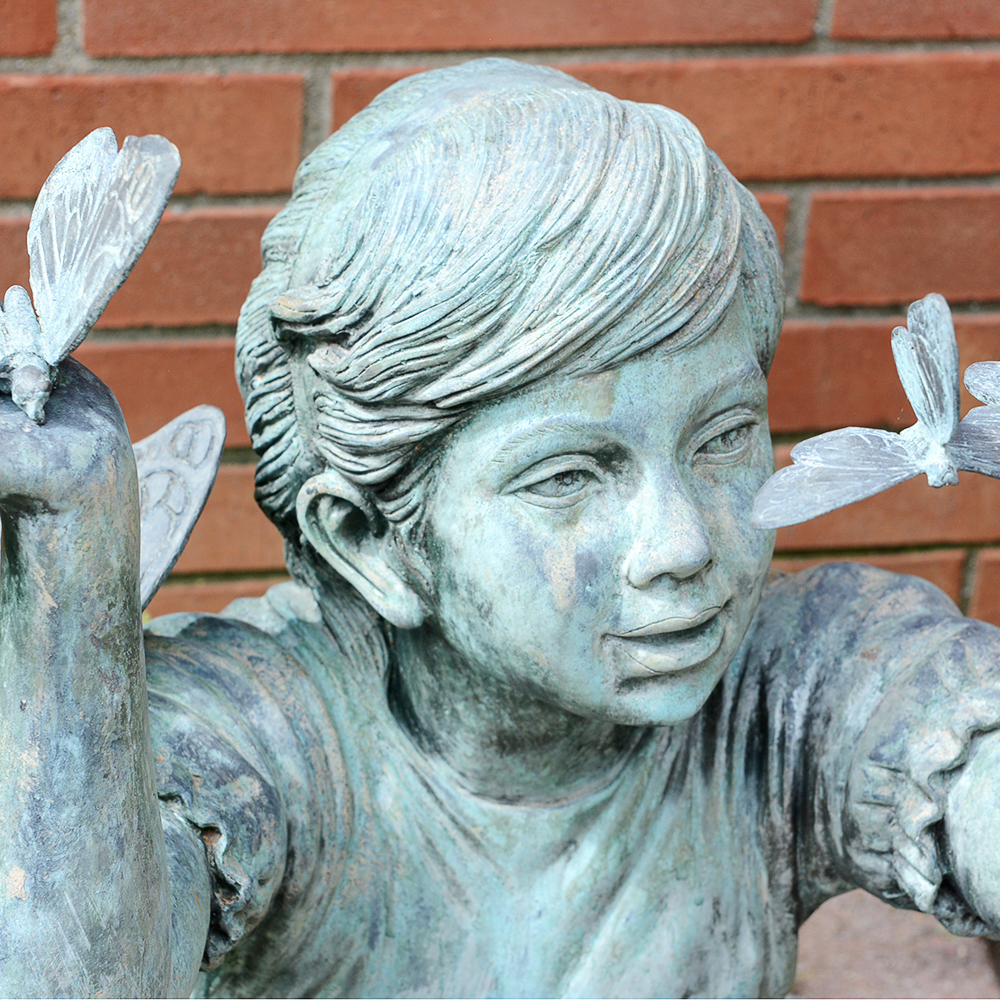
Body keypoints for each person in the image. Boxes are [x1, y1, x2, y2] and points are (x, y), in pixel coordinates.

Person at [2, 58, 999, 999]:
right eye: (568, 475)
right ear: (371, 542)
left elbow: (950, 739)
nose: (686, 543)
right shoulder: (260, 739)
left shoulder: (789, 689)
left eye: (724, 435)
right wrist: (67, 569)